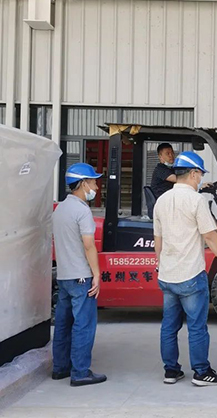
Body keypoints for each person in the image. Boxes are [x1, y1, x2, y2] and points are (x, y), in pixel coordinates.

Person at [153, 151, 217, 386]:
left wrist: (159, 262)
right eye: (200, 175)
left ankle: (171, 371)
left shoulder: (161, 201)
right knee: (197, 327)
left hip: (167, 275)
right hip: (190, 275)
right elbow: (210, 235)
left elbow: (158, 238)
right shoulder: (196, 200)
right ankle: (201, 372)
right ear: (193, 173)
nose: (200, 179)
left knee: (169, 326)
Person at [52, 163, 107, 387]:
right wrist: (97, 274)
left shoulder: (60, 209)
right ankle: (81, 372)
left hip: (64, 276)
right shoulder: (82, 211)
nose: (96, 187)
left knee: (63, 325)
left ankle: (60, 368)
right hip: (81, 277)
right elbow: (88, 245)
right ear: (83, 184)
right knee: (84, 325)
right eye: (93, 182)